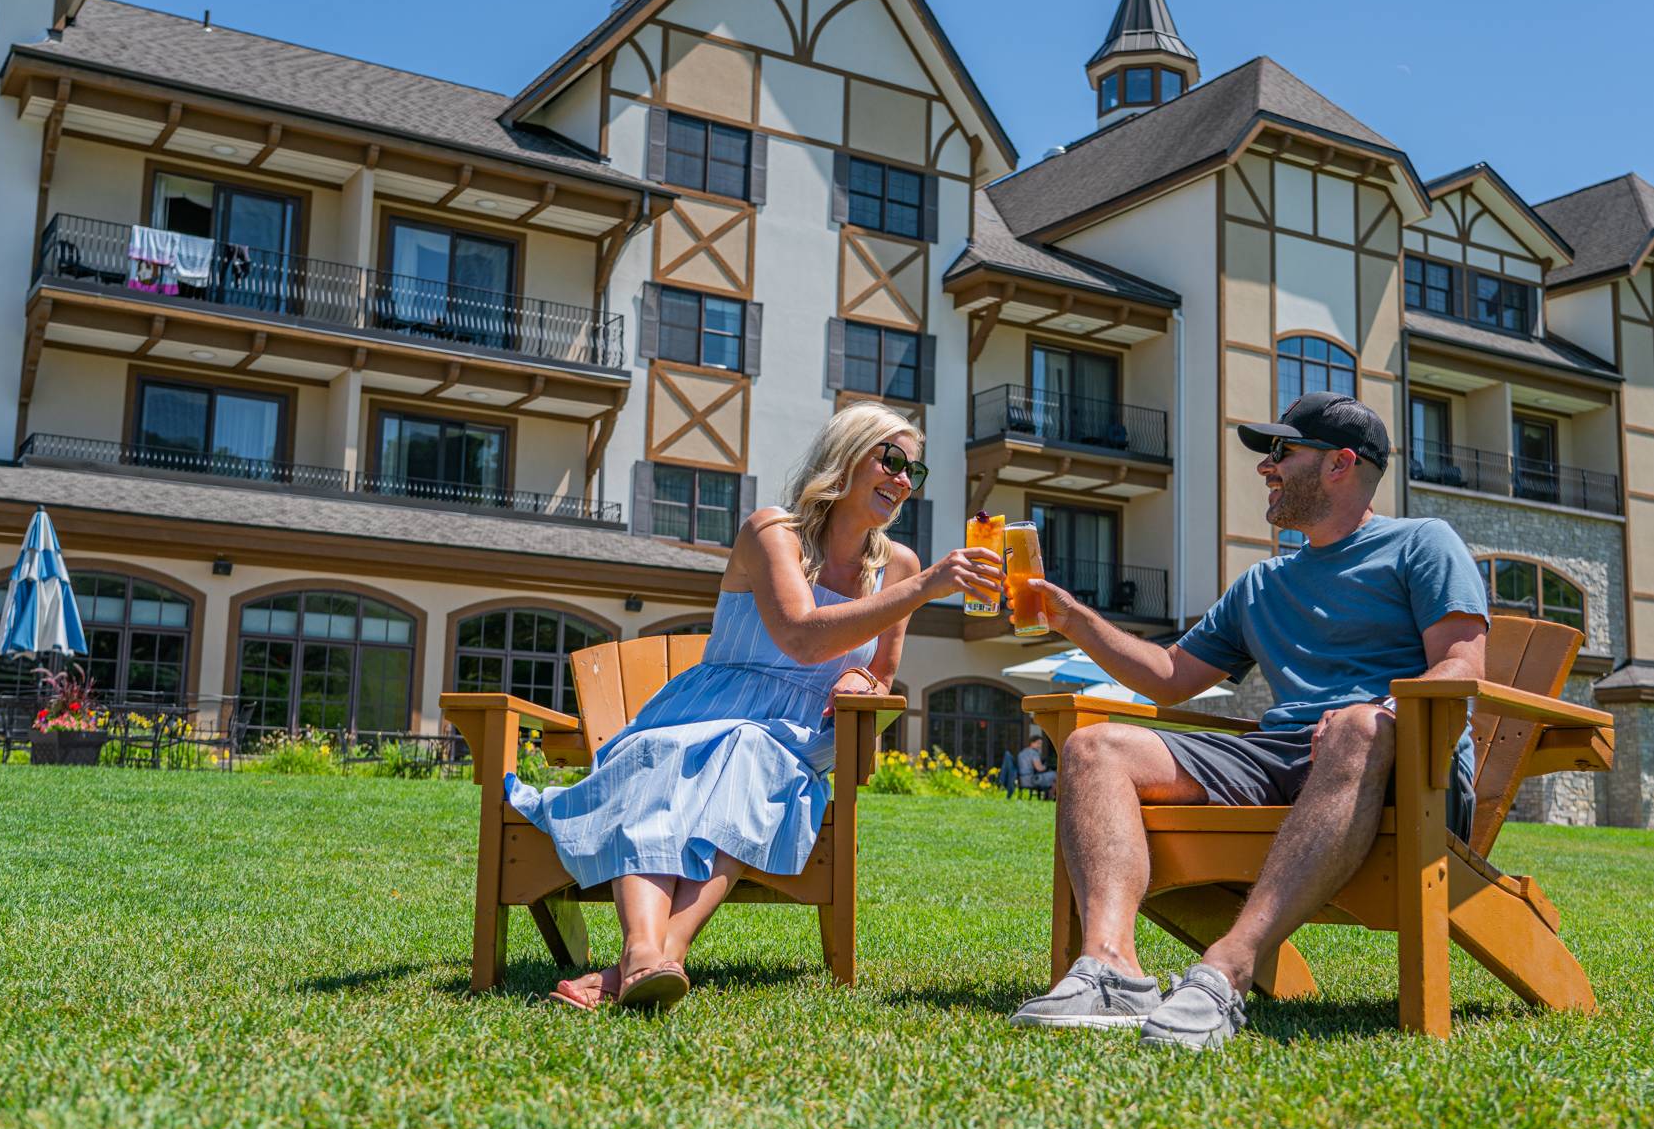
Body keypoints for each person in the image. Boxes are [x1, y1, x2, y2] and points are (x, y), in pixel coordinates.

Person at [1007, 392, 1489, 1051]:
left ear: (1340, 464)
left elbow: (1462, 665)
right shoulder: (1263, 584)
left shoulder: (1420, 544)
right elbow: (1168, 675)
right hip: (1282, 756)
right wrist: (1068, 617)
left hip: (1408, 765)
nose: (1265, 468)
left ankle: (1226, 970)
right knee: (1094, 748)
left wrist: (1376, 710)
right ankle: (1111, 968)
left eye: (1280, 452)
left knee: (1353, 728)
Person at [509, 403, 1003, 1011]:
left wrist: (860, 682)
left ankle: (644, 962)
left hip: (796, 732)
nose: (904, 480)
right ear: (846, 457)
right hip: (707, 710)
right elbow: (800, 636)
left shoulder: (896, 566)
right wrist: (927, 588)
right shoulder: (774, 532)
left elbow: (879, 673)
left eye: (915, 472)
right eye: (892, 460)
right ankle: (647, 958)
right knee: (664, 758)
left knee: (750, 757)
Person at [1014, 733, 1054, 800]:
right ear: (1032, 743)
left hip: (1022, 780)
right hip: (1031, 780)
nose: (1040, 746)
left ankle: (1048, 797)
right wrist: (1047, 767)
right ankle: (1049, 798)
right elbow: (1039, 768)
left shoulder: (1022, 753)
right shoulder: (1034, 753)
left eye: (1041, 744)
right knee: (1054, 775)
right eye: (1038, 743)